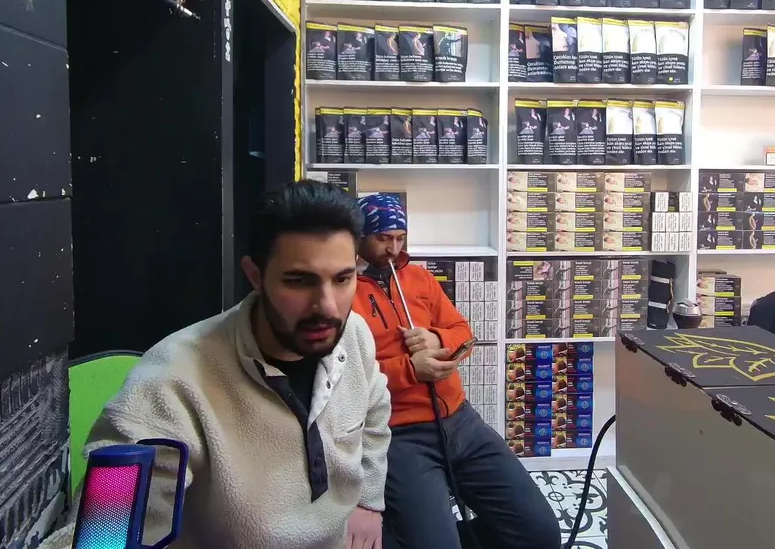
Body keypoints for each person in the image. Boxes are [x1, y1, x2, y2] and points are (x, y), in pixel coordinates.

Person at [77, 180, 392, 548]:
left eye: (342, 279)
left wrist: (369, 500)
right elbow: (105, 533)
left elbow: (375, 411)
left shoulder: (353, 335)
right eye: (299, 281)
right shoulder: (172, 379)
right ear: (255, 276)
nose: (327, 306)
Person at [352, 193, 561, 549]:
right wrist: (409, 369)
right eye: (383, 238)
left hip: (461, 422)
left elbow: (463, 333)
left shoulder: (420, 278)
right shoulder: (346, 293)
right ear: (360, 237)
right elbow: (348, 376)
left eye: (400, 238)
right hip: (399, 435)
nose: (393, 248)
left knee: (540, 534)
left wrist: (437, 338)